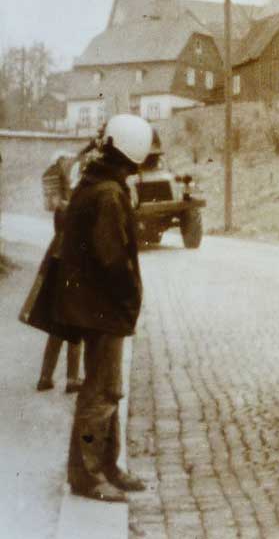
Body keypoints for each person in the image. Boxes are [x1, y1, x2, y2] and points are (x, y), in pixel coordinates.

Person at [53, 113, 153, 503]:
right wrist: (130, 297)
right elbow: (112, 258)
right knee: (101, 393)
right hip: (104, 307)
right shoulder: (109, 194)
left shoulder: (95, 184)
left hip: (92, 305)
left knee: (106, 388)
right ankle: (88, 475)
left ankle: (108, 466)